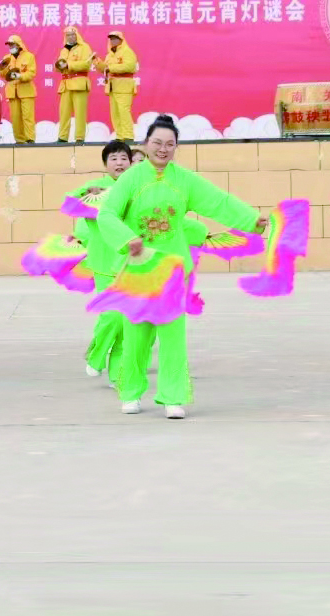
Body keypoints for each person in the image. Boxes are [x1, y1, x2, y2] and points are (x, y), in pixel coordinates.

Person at [96, 115, 266, 419]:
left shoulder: (185, 180)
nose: (163, 149)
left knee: (173, 337)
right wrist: (127, 238)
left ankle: (173, 396)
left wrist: (251, 219)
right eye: (157, 143)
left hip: (172, 271)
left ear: (176, 147)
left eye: (169, 144)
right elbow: (106, 214)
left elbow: (218, 201)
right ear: (146, 144)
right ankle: (131, 392)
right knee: (136, 337)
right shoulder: (131, 179)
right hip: (137, 271)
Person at [80, 139, 135, 382]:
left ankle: (117, 375)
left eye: (123, 158)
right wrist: (88, 197)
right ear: (105, 164)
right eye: (113, 158)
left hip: (130, 264)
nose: (119, 163)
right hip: (104, 263)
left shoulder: (136, 188)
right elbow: (74, 204)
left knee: (126, 324)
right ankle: (96, 355)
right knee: (112, 316)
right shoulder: (95, 189)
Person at [94, 30, 138, 141]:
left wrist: (111, 68)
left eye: (115, 38)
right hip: (112, 86)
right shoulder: (110, 55)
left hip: (124, 86)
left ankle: (128, 136)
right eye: (111, 39)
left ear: (121, 40)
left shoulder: (127, 51)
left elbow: (129, 66)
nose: (113, 41)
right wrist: (97, 61)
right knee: (115, 113)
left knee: (124, 112)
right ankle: (119, 136)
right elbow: (105, 69)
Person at [55, 27, 94, 143]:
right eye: (68, 35)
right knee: (64, 112)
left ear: (77, 35)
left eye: (73, 34)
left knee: (80, 113)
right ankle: (62, 137)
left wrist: (68, 65)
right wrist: (58, 67)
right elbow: (59, 66)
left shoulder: (84, 47)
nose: (70, 37)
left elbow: (86, 64)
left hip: (79, 83)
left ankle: (79, 137)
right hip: (66, 84)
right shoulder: (64, 50)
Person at [0, 34, 37, 144]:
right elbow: (2, 74)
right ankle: (19, 140)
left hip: (26, 91)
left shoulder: (29, 56)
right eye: (9, 45)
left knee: (27, 117)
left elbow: (31, 73)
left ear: (19, 44)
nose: (11, 46)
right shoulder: (7, 58)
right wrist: (2, 68)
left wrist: (20, 76)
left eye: (13, 44)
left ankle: (30, 139)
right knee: (15, 119)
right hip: (12, 92)